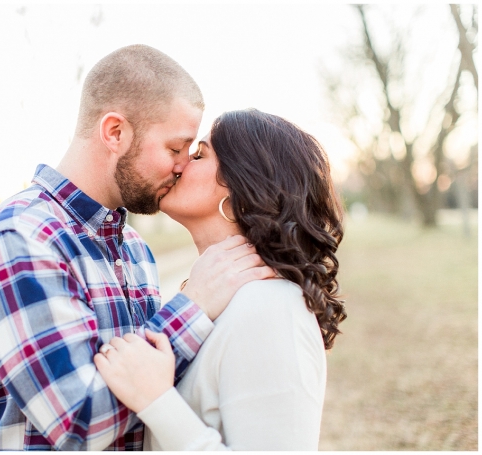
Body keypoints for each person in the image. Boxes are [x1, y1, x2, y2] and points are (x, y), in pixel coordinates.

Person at [0, 46, 274, 451]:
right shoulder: (17, 239)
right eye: (175, 148)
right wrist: (194, 307)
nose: (182, 166)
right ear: (115, 132)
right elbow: (79, 423)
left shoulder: (134, 249)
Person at [95, 108, 347, 451]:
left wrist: (158, 402)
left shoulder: (272, 308)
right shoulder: (216, 299)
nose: (179, 163)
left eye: (199, 154)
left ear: (242, 189)